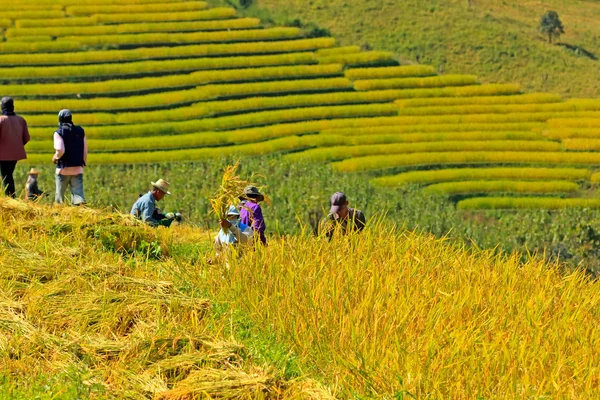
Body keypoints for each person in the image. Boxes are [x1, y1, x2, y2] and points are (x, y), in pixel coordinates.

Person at [52, 109, 87, 205]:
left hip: (63, 169)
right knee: (78, 195)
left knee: (59, 196)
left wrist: (55, 157)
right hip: (77, 168)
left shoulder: (59, 133)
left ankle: (58, 213)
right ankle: (80, 212)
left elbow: (60, 149)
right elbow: (85, 149)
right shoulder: (80, 131)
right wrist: (83, 162)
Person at [0, 97, 30, 198]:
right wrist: (16, 146)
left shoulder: (1, 120)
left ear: (2, 106)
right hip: (15, 154)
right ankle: (11, 197)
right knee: (8, 174)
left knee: (6, 176)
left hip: (2, 155)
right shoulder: (21, 120)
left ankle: (11, 197)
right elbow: (26, 138)